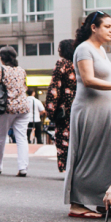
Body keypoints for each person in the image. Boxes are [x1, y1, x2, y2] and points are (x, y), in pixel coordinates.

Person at [65, 12, 111, 219]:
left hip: (106, 109)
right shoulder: (84, 48)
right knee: (87, 156)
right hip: (89, 109)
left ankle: (104, 201)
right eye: (107, 26)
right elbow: (88, 80)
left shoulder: (101, 50)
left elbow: (109, 87)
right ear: (93, 27)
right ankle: (77, 204)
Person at [0, 46, 30, 177]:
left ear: (1, 58)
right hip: (23, 107)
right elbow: (25, 87)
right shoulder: (21, 70)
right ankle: (23, 168)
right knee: (22, 138)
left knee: (0, 137)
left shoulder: (1, 70)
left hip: (6, 107)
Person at [45, 39, 77, 172]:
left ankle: (66, 166)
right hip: (81, 104)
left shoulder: (62, 63)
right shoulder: (80, 63)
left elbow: (55, 88)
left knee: (64, 137)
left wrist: (51, 110)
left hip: (65, 107)